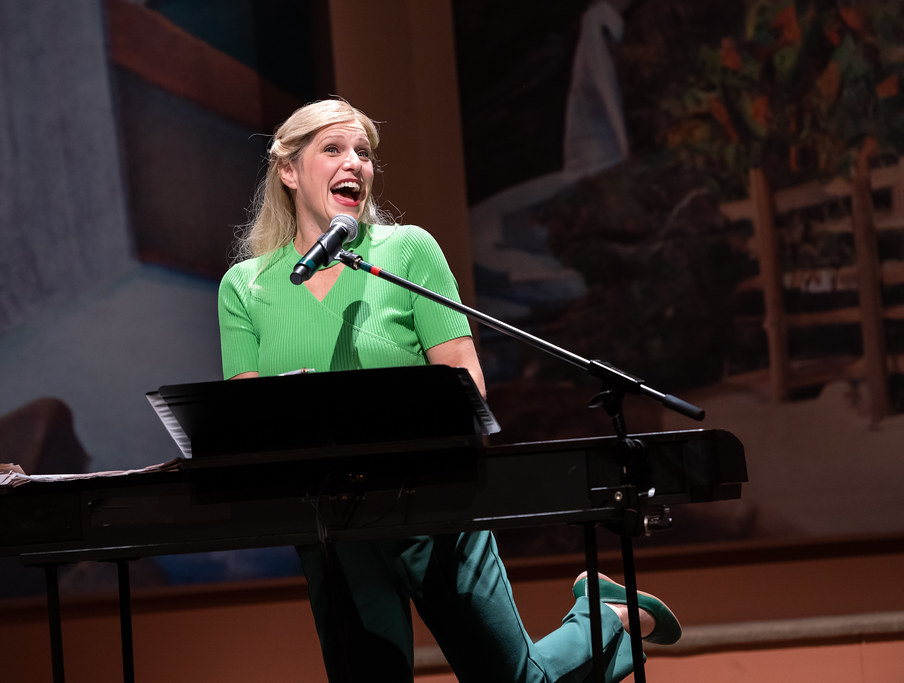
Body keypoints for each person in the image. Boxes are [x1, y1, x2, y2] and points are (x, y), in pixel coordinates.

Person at [218, 98, 680, 682]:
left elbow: (468, 386)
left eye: (363, 152)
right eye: (333, 150)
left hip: (435, 508)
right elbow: (247, 418)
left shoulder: (406, 252)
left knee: (516, 681)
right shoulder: (246, 285)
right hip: (331, 525)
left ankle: (607, 615)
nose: (354, 164)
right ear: (288, 170)